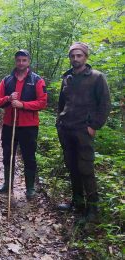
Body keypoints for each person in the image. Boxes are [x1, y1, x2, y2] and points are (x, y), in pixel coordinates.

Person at [56, 42, 111, 221]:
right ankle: (78, 203)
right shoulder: (67, 78)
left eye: (79, 55)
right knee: (72, 167)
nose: (75, 59)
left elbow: (104, 104)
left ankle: (93, 210)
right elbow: (62, 103)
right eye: (72, 56)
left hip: (83, 130)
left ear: (86, 57)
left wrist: (94, 125)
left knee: (86, 168)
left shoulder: (97, 77)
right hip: (66, 129)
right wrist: (59, 121)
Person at [0, 50, 47, 199]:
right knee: (7, 155)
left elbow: (42, 103)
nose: (21, 63)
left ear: (29, 61)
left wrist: (22, 105)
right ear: (15, 61)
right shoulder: (7, 80)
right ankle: (7, 185)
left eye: (24, 60)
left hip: (29, 126)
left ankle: (30, 189)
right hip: (9, 124)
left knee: (29, 157)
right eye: (19, 60)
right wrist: (8, 98)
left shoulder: (37, 80)